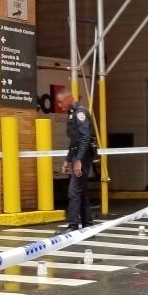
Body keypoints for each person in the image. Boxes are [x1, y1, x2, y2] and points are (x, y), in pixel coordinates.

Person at [55, 88, 96, 230]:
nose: (59, 105)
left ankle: (73, 225)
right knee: (81, 191)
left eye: (60, 102)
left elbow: (85, 137)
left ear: (68, 99)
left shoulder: (80, 112)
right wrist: (67, 160)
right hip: (78, 154)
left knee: (73, 191)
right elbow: (74, 141)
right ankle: (88, 225)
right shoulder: (72, 113)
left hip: (83, 156)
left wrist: (78, 160)